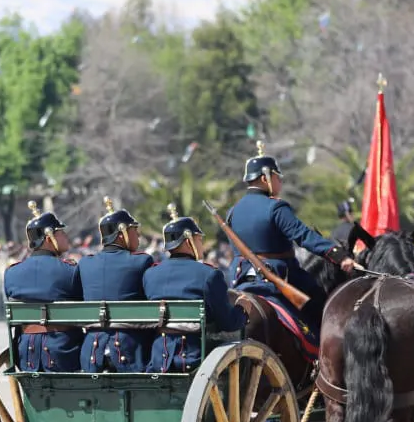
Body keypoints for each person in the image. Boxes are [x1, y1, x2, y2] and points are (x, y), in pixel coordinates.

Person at [226, 141, 356, 320]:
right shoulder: (275, 208)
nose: (280, 182)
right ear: (265, 178)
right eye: (277, 177)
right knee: (322, 307)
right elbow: (304, 236)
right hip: (277, 277)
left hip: (239, 280)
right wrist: (337, 255)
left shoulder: (232, 212)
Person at [143, 205, 246, 372]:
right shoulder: (209, 275)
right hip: (195, 359)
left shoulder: (150, 275)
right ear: (188, 240)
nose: (201, 244)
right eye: (199, 239)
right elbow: (228, 322)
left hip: (158, 359)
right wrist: (243, 310)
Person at [2, 201, 83, 371]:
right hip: (64, 351)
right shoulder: (69, 271)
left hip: (26, 355)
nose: (66, 236)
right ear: (49, 237)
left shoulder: (11, 273)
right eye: (61, 233)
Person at [77, 197, 154, 372]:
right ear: (122, 233)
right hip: (132, 350)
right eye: (134, 230)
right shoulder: (141, 261)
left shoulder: (85, 263)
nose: (138, 235)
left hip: (91, 351)